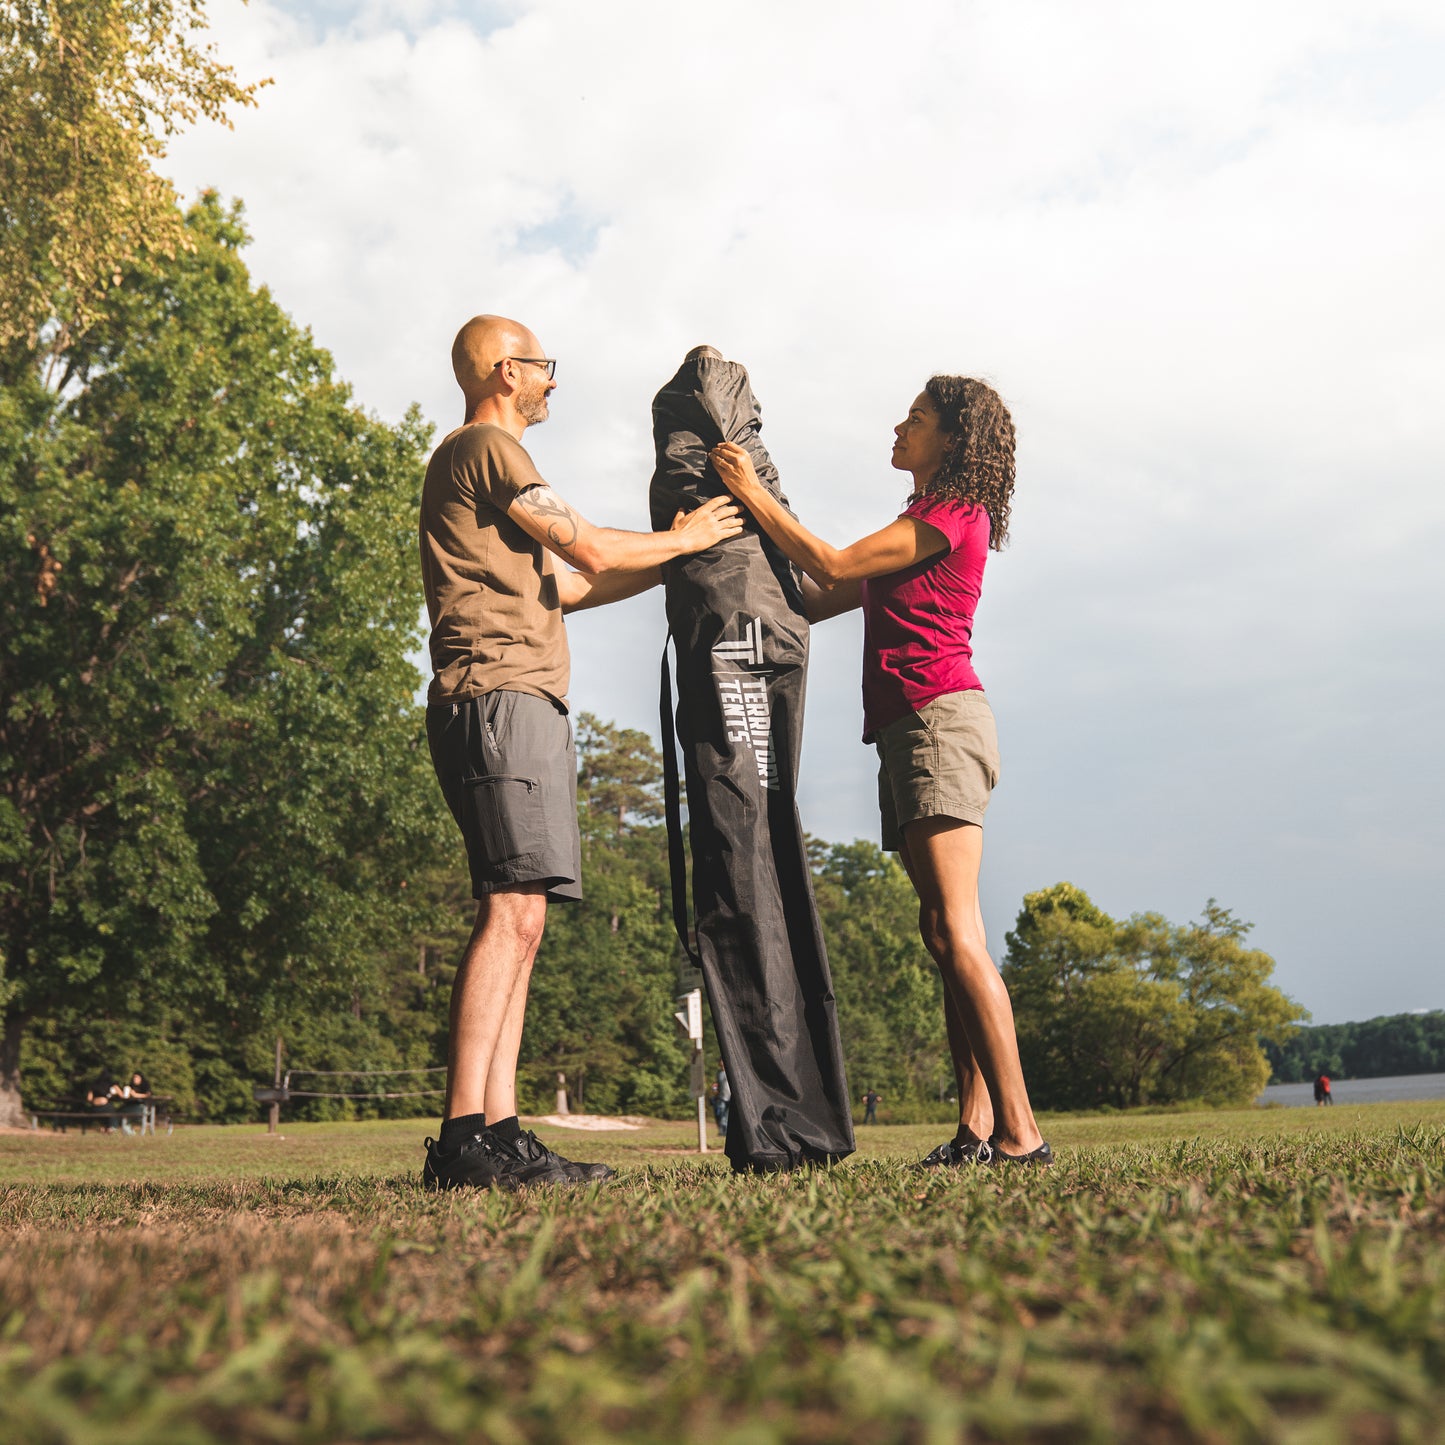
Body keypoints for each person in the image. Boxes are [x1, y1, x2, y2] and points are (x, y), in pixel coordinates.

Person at [420, 314, 743, 1192]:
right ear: (500, 368)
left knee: (524, 919)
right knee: (509, 913)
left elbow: (570, 581)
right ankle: (460, 1141)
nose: (551, 380)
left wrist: (683, 561)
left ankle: (498, 1133)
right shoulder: (488, 446)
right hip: (498, 693)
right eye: (541, 365)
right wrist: (687, 536)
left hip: (519, 697)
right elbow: (588, 543)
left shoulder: (482, 475)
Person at [710, 375, 1052, 1169]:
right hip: (906, 728)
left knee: (957, 929)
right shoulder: (915, 522)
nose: (899, 427)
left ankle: (1020, 1132)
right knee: (941, 934)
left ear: (953, 442)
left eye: (917, 419)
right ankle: (975, 1126)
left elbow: (827, 557)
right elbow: (818, 591)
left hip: (939, 723)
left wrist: (750, 488)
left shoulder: (951, 513)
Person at [713, 1063, 731, 1133]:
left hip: (729, 1097)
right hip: (721, 1097)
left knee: (726, 1114)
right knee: (721, 1113)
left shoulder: (730, 1071)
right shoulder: (719, 1073)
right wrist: (714, 1090)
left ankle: (724, 1130)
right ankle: (722, 1130)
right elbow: (715, 1084)